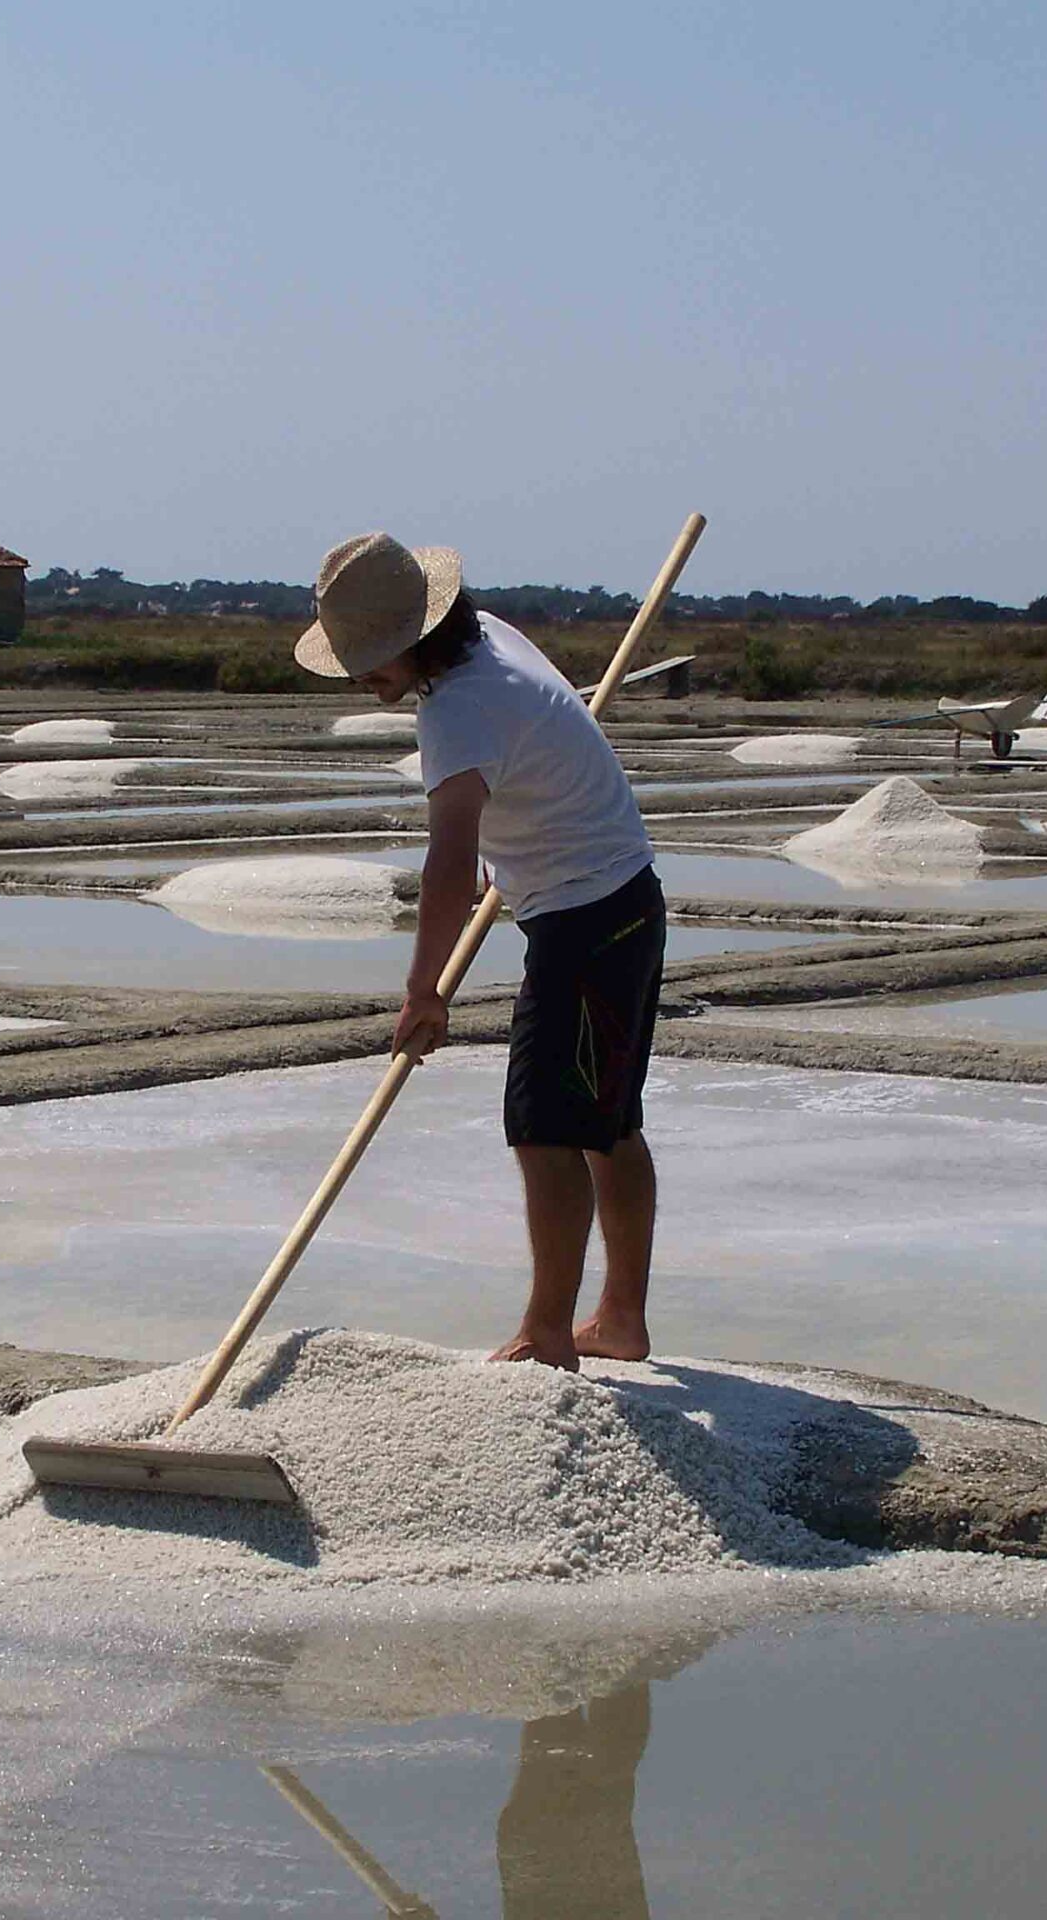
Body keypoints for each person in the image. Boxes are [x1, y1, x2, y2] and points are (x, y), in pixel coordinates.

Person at [294, 531, 664, 1370]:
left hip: (585, 922)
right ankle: (619, 1320)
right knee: (609, 1125)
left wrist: (425, 991)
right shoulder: (488, 636)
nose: (365, 681)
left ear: (417, 642)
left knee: (545, 1128)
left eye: (374, 663)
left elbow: (450, 864)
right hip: (629, 900)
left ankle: (547, 1335)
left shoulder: (456, 710)